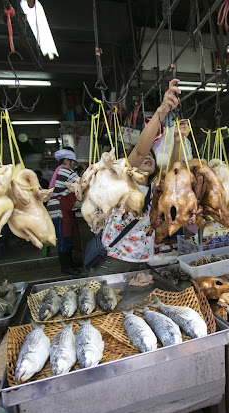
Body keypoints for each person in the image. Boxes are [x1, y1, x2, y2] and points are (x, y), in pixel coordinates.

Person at [88, 80, 185, 276]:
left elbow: (175, 171)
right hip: (113, 260)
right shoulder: (124, 179)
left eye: (152, 155)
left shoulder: (154, 188)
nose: (148, 156)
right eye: (145, 155)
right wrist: (162, 111)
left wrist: (177, 141)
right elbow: (140, 151)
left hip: (141, 261)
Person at [46, 149, 80, 275]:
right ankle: (65, 267)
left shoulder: (60, 170)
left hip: (61, 209)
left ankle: (69, 263)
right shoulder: (63, 169)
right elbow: (81, 182)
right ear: (66, 160)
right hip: (58, 210)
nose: (74, 165)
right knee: (63, 238)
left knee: (67, 237)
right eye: (73, 162)